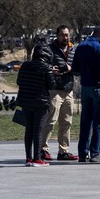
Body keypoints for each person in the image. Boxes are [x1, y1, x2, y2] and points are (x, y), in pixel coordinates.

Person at [71, 26, 100, 162]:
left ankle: (82, 153)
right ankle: (95, 153)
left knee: (85, 121)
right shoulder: (99, 48)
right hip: (98, 87)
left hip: (84, 87)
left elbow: (75, 69)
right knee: (99, 122)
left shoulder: (80, 46)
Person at [40, 25, 78, 162]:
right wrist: (51, 69)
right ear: (57, 35)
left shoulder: (73, 49)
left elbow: (77, 69)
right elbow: (43, 65)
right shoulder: (50, 49)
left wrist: (70, 69)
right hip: (55, 89)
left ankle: (64, 151)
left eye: (67, 35)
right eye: (62, 35)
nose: (65, 37)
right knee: (51, 121)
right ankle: (42, 149)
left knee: (67, 122)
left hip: (68, 89)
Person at [16, 44, 56, 167]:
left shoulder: (25, 66)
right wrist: (52, 72)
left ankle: (28, 158)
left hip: (26, 101)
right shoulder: (46, 68)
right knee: (38, 130)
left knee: (29, 129)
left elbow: (19, 82)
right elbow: (52, 85)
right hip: (41, 102)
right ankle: (37, 159)